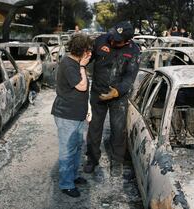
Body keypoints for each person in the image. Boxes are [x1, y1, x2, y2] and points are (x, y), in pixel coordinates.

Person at [84, 21, 140, 177]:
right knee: (94, 128)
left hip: (118, 98)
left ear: (128, 40)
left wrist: (116, 92)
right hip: (97, 94)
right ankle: (92, 160)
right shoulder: (101, 40)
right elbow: (87, 59)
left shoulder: (134, 51)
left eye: (118, 40)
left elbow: (130, 77)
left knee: (118, 130)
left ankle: (116, 162)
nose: (113, 40)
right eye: (113, 36)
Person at [51, 34, 93, 197]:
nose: (90, 53)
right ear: (82, 50)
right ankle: (66, 184)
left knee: (76, 147)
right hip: (67, 115)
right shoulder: (70, 65)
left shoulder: (74, 62)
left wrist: (87, 108)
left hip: (77, 114)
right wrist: (83, 67)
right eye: (88, 50)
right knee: (67, 150)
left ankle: (73, 176)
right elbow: (82, 87)